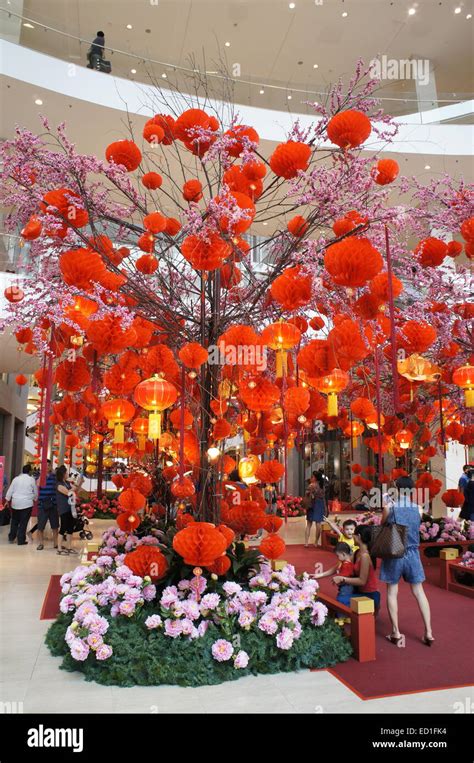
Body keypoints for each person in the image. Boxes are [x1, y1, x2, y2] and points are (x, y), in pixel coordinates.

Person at [378, 476, 434, 646]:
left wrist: (385, 506)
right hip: (413, 553)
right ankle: (429, 632)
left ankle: (395, 632)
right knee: (419, 592)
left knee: (392, 591)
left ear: (396, 488)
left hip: (395, 551)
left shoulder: (390, 507)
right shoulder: (418, 508)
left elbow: (382, 525)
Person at [333, 524, 381, 613]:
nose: (352, 537)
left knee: (340, 600)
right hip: (360, 591)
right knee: (341, 596)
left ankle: (373, 606)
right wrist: (320, 574)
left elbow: (362, 581)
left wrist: (342, 578)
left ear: (358, 536)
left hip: (369, 594)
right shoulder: (357, 552)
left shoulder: (365, 556)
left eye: (353, 534)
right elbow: (340, 564)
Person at [314, 541, 355, 622]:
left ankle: (342, 617)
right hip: (344, 586)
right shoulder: (343, 562)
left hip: (346, 587)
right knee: (343, 599)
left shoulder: (347, 565)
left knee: (342, 599)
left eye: (338, 556)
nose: (337, 557)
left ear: (343, 554)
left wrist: (337, 578)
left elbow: (344, 576)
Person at [5, 464, 38, 546]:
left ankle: (11, 537)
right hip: (27, 504)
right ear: (30, 471)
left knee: (14, 521)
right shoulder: (31, 480)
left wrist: (7, 500)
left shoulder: (16, 479)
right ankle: (21, 540)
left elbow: (10, 490)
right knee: (23, 522)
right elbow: (35, 492)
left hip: (15, 503)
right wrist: (34, 499)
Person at [33, 461, 58, 550]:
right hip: (42, 505)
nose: (47, 467)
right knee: (41, 525)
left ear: (51, 466)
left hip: (53, 504)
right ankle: (41, 543)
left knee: (55, 525)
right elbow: (38, 484)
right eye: (45, 466)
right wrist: (41, 474)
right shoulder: (39, 476)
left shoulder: (54, 477)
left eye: (49, 465)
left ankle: (55, 543)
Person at [56, 465, 78, 556]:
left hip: (70, 508)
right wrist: (73, 488)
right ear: (63, 474)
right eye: (66, 472)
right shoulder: (59, 485)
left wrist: (75, 484)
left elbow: (75, 489)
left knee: (70, 528)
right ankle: (59, 548)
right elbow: (69, 493)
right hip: (63, 508)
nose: (67, 474)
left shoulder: (66, 483)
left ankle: (69, 547)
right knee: (63, 528)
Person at [304, 474, 326, 548]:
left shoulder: (311, 485)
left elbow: (306, 494)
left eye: (312, 477)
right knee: (318, 523)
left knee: (309, 524)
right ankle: (316, 541)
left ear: (315, 478)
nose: (311, 478)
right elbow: (323, 497)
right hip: (319, 504)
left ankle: (306, 542)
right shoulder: (322, 486)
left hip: (312, 504)